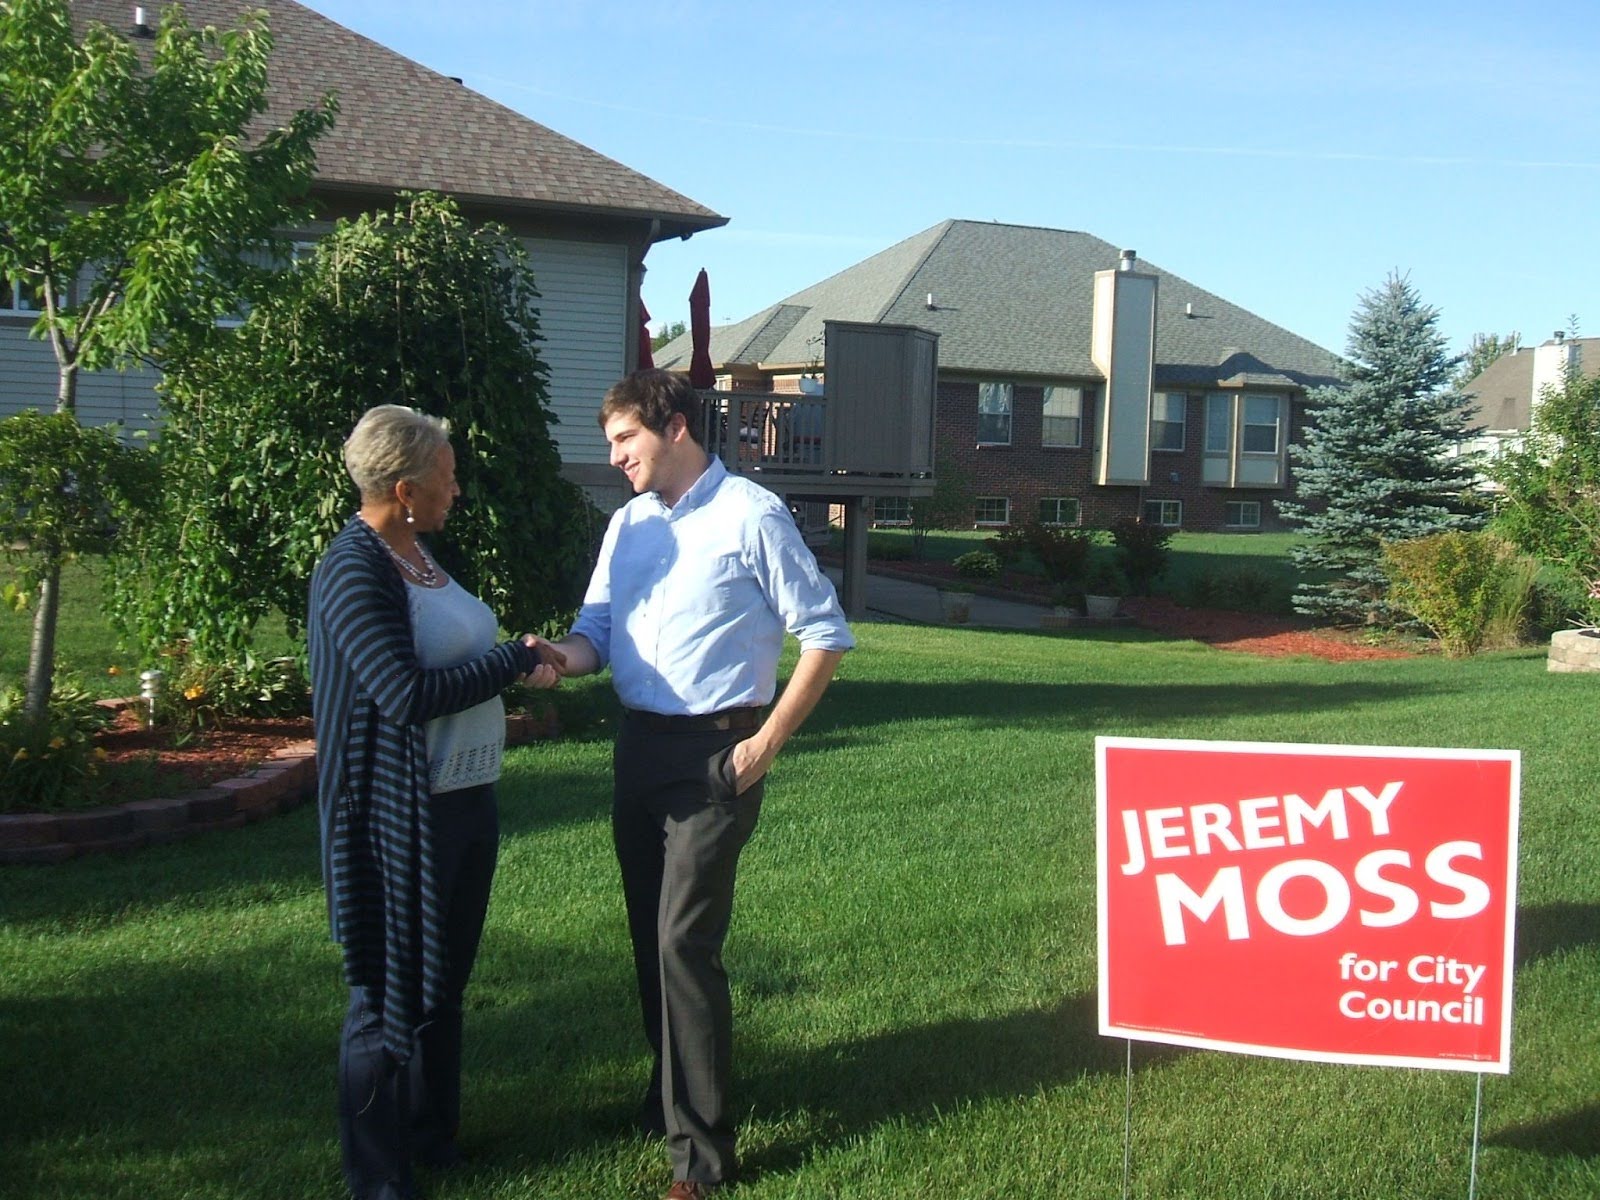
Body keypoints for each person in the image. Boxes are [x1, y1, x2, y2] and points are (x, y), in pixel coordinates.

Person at [549, 369, 854, 1199]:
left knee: (685, 943)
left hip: (717, 757)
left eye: (625, 441)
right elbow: (596, 632)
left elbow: (825, 634)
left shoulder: (750, 515)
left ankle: (703, 1159)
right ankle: (666, 1101)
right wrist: (559, 661)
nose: (614, 458)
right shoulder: (628, 525)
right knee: (653, 938)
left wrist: (764, 747)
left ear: (675, 427)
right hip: (639, 752)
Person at [308, 404, 561, 1200]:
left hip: (463, 801)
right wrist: (510, 662)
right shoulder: (354, 567)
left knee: (442, 983)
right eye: (447, 478)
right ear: (405, 487)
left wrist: (509, 659)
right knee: (384, 995)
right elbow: (402, 694)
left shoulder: (414, 552)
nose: (457, 489)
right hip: (395, 815)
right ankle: (378, 1177)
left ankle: (430, 1135)